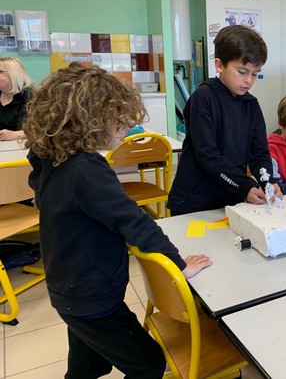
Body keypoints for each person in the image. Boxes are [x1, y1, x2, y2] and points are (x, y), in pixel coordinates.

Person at [23, 65, 213, 379]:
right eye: (119, 121)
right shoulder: (86, 170)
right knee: (149, 363)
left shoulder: (52, 159)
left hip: (68, 289)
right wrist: (179, 265)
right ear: (90, 122)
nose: (127, 127)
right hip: (91, 297)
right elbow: (135, 222)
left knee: (89, 364)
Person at [168, 25, 282, 214]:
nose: (249, 80)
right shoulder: (203, 99)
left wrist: (268, 182)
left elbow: (259, 153)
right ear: (219, 65)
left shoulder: (251, 105)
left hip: (231, 197)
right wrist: (244, 184)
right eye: (242, 71)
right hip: (195, 201)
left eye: (255, 74)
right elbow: (207, 154)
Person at [0, 57, 34, 141]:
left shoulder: (32, 98)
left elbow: (43, 129)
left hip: (22, 145)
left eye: (0, 72)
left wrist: (15, 134)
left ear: (13, 75)